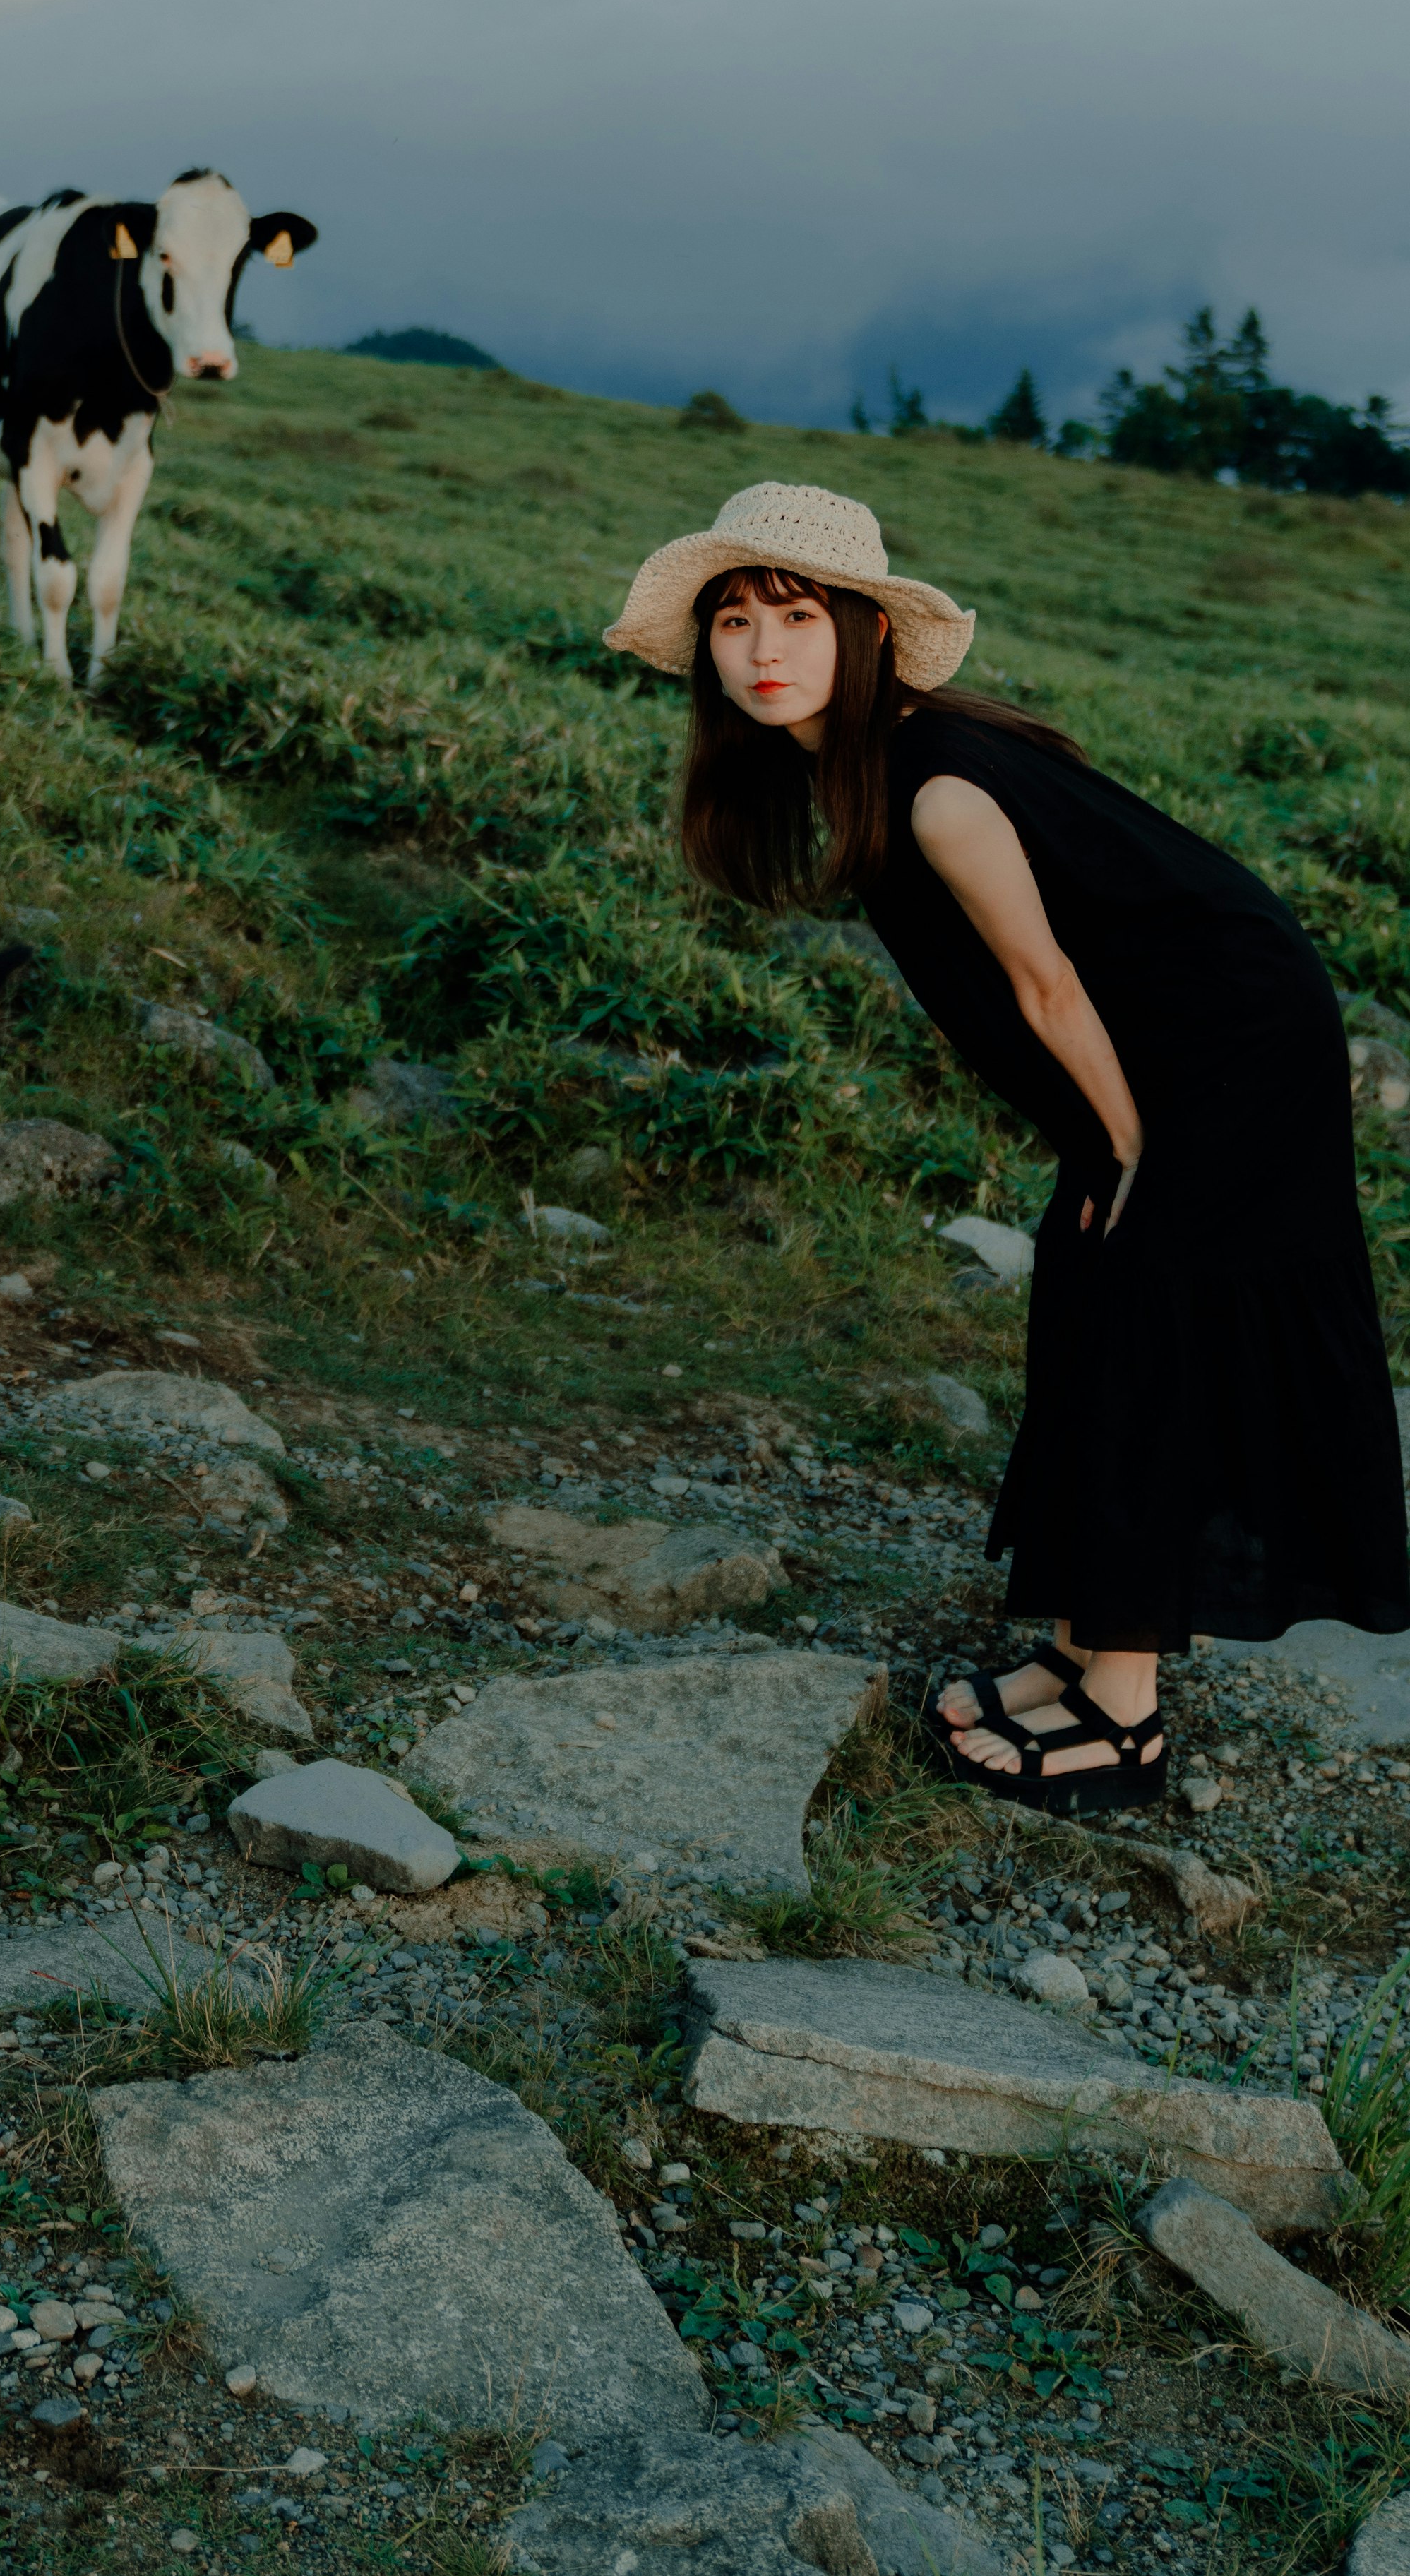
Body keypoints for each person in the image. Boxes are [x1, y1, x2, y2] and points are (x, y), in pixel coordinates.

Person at [604, 478, 1410, 1816]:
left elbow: (1045, 987)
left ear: (861, 630)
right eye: (736, 620)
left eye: (795, 616)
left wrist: (1127, 1146)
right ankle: (1089, 1642)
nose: (762, 651)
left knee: (1149, 1317)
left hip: (1228, 1048)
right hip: (1174, 1041)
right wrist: (1106, 1149)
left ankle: (1124, 1719)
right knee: (1090, 1296)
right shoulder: (875, 761)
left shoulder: (933, 793)